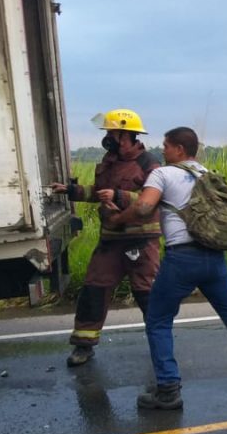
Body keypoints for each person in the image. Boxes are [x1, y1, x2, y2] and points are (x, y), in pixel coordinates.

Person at [108, 126, 227, 410]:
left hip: (182, 259)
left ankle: (168, 389)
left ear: (179, 149)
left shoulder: (163, 174)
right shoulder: (206, 174)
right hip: (214, 258)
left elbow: (143, 208)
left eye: (166, 145)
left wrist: (117, 220)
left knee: (158, 320)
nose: (162, 150)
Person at [51, 108, 161, 367]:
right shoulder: (109, 161)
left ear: (127, 135)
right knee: (94, 289)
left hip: (140, 241)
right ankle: (83, 345)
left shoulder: (149, 164)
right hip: (110, 240)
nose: (108, 137)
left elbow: (154, 200)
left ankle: (161, 342)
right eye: (108, 132)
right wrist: (71, 190)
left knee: (146, 293)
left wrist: (119, 196)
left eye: (112, 132)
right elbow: (99, 191)